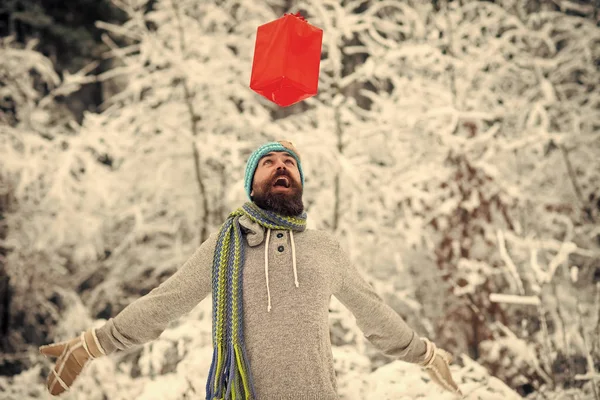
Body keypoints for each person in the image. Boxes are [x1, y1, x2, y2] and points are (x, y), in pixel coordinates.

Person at [39, 140, 462, 399]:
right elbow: (165, 302)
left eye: (289, 162)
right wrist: (94, 344)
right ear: (252, 184)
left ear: (298, 181)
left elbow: (374, 314)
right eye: (269, 162)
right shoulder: (226, 246)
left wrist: (424, 353)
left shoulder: (324, 248)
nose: (281, 166)